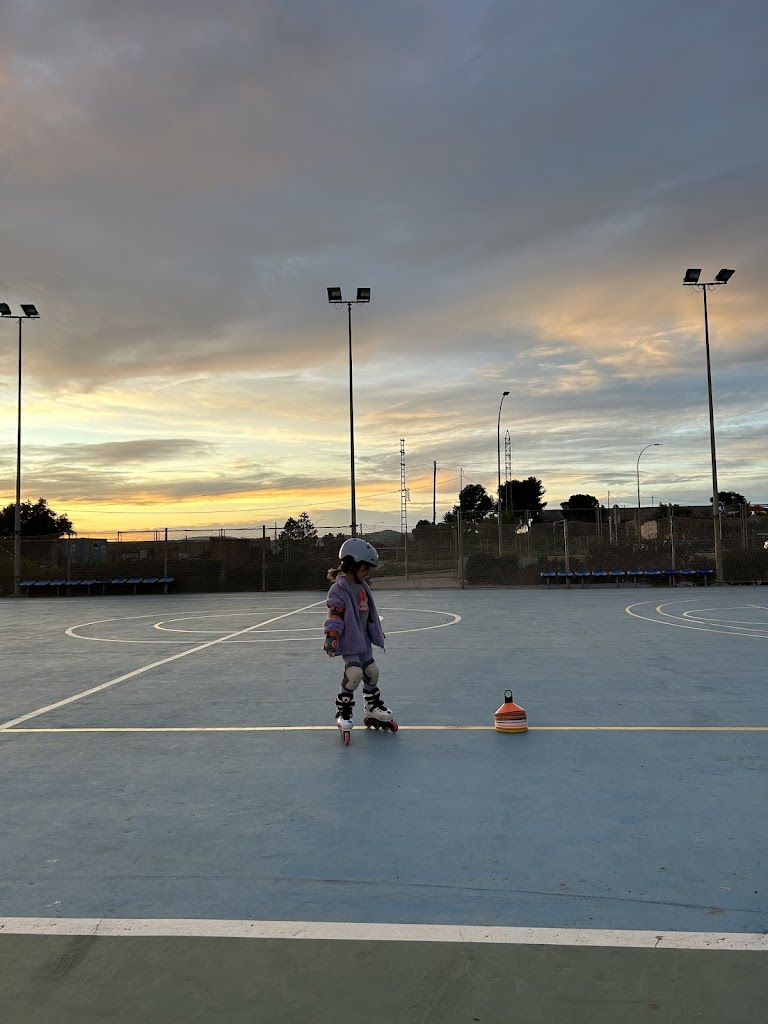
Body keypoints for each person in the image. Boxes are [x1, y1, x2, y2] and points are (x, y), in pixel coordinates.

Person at [323, 538, 397, 741]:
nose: (368, 573)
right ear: (352, 565)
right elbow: (335, 615)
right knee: (354, 673)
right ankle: (343, 711)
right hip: (349, 640)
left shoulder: (363, 586)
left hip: (363, 638)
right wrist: (332, 636)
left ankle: (372, 708)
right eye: (365, 568)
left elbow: (371, 614)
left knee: (371, 672)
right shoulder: (339, 589)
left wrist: (376, 631)